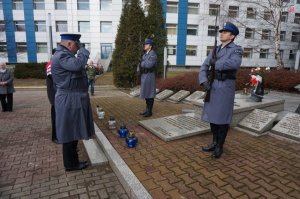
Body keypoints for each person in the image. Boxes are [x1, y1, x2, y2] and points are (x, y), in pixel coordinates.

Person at [199, 22, 243, 159]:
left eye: (225, 32)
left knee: (222, 119)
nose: (221, 33)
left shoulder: (236, 49)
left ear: (232, 36)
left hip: (225, 87)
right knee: (213, 117)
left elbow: (235, 63)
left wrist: (216, 63)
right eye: (221, 31)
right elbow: (204, 67)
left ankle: (219, 146)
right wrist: (203, 81)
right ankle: (214, 142)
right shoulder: (214, 50)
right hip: (212, 86)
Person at [51, 34, 95, 171]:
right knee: (70, 132)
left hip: (72, 97)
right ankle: (71, 164)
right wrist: (83, 51)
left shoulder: (65, 55)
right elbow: (76, 65)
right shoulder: (62, 55)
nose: (77, 49)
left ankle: (72, 162)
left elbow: (75, 71)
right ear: (70, 44)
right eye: (77, 45)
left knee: (72, 131)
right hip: (68, 98)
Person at [139, 38, 157, 117]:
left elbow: (148, 65)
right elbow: (142, 64)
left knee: (150, 94)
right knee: (146, 94)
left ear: (150, 46)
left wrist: (142, 63)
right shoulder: (146, 54)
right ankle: (147, 110)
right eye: (145, 44)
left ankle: (149, 111)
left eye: (146, 44)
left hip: (149, 76)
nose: (144, 45)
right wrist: (142, 63)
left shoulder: (152, 54)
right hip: (144, 75)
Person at [46, 48, 58, 143]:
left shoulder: (54, 62)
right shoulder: (51, 64)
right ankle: (56, 137)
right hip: (55, 96)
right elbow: (55, 79)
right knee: (56, 118)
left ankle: (59, 136)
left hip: (57, 95)